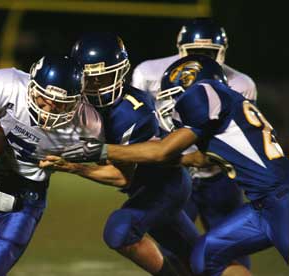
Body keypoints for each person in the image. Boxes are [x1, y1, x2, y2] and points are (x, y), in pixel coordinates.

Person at [63, 54, 289, 276]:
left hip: (281, 199)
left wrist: (101, 150)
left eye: (174, 96)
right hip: (261, 206)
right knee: (204, 257)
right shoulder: (227, 109)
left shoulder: (205, 92)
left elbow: (162, 151)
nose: (173, 105)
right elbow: (201, 159)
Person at [41, 33, 200, 276]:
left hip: (165, 186)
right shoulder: (80, 101)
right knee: (198, 258)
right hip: (145, 189)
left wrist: (74, 167)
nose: (95, 87)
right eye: (89, 80)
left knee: (120, 231)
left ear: (121, 72)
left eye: (103, 78)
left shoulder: (132, 112)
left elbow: (122, 177)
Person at [0, 56, 103, 276]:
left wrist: (74, 167)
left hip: (29, 195)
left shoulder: (89, 124)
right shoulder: (6, 85)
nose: (51, 108)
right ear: (33, 87)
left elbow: (114, 171)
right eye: (46, 98)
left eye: (62, 102)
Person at [132, 17, 257, 269]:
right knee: (174, 252)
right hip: (175, 176)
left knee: (234, 250)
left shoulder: (241, 84)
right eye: (195, 52)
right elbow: (140, 125)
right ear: (180, 50)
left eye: (208, 53)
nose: (201, 59)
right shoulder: (149, 73)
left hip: (219, 174)